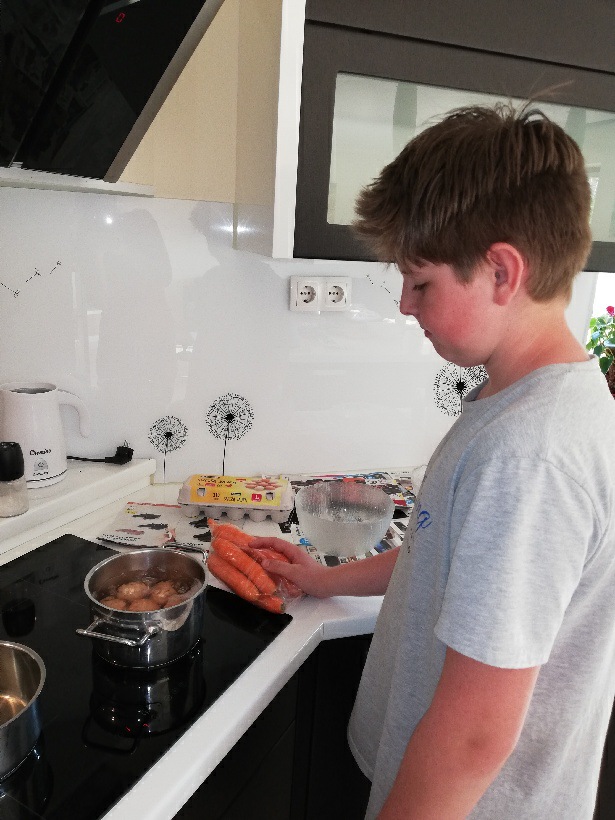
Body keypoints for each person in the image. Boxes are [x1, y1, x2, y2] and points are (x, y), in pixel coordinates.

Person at [252, 103, 615, 819]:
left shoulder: (529, 456)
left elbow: (475, 735)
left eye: (421, 284)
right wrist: (325, 578)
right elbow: (439, 552)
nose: (404, 305)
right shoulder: (519, 404)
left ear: (501, 272)